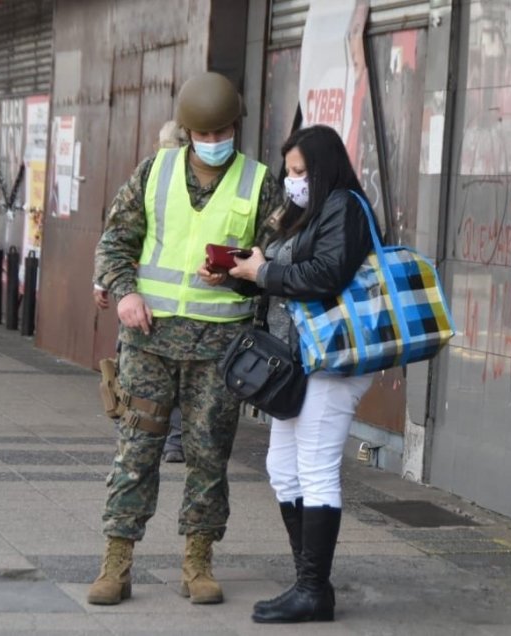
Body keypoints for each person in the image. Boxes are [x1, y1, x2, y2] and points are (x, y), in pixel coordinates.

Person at [87, 72, 279, 606]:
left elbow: (276, 259)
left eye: (225, 132)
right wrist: (124, 292)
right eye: (207, 133)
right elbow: (115, 241)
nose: (217, 142)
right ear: (189, 132)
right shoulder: (154, 172)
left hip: (220, 350)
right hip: (149, 343)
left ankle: (198, 563)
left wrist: (240, 271)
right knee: (136, 451)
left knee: (209, 456)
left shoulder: (260, 182)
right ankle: (117, 563)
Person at [206, 124, 373, 624]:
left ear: (322, 169)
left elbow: (325, 276)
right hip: (298, 360)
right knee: (283, 469)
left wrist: (263, 273)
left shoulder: (342, 207)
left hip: (331, 359)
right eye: (289, 171)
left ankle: (313, 590)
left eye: (299, 172)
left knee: (316, 470)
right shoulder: (302, 214)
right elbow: (280, 279)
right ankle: (308, 581)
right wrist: (240, 275)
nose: (292, 180)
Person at [94, 121, 186, 464]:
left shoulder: (150, 177)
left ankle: (141, 436)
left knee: (141, 375)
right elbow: (118, 237)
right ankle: (168, 440)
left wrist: (103, 283)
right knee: (165, 376)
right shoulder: (154, 177)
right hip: (149, 298)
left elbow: (117, 234)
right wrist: (105, 281)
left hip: (146, 298)